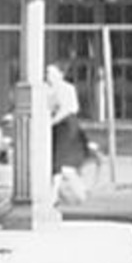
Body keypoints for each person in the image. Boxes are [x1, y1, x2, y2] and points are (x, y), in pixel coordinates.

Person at [45, 64, 89, 205]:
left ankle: (53, 195)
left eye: (51, 73)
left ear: (60, 74)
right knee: (54, 160)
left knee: (58, 159)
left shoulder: (66, 88)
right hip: (55, 126)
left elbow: (67, 109)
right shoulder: (47, 90)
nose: (48, 76)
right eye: (47, 73)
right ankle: (64, 187)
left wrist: (52, 121)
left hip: (67, 126)